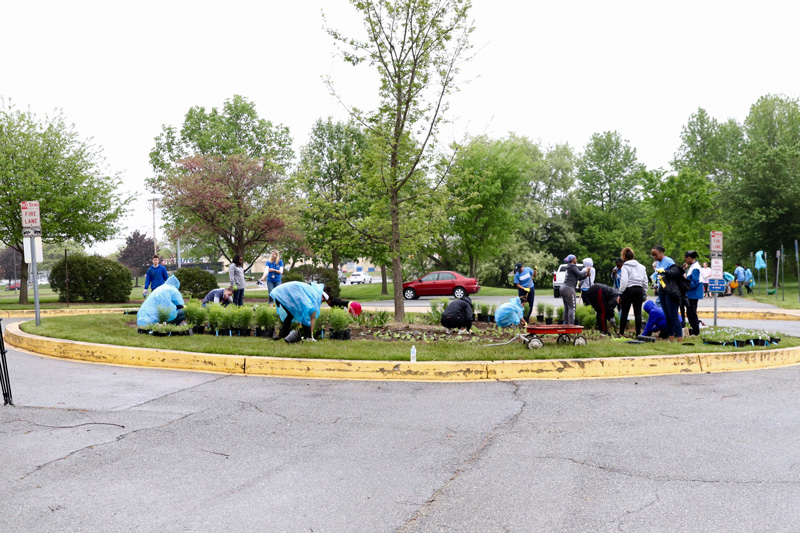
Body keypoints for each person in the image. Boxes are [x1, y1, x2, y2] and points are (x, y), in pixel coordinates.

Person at [651, 245, 684, 343]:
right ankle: (671, 338)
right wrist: (656, 285)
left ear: (661, 252)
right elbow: (658, 277)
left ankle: (679, 338)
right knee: (667, 316)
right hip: (662, 291)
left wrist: (665, 272)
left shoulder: (669, 261)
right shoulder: (657, 262)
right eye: (652, 255)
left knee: (673, 315)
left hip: (671, 291)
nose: (654, 257)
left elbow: (675, 272)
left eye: (655, 254)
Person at [616, 247, 648, 337]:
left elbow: (624, 281)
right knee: (638, 313)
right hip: (639, 290)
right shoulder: (642, 267)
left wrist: (620, 293)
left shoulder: (625, 266)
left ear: (624, 257)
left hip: (628, 290)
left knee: (625, 312)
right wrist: (644, 292)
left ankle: (621, 333)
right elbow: (645, 281)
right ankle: (638, 333)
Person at [559, 254, 590, 325]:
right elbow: (579, 273)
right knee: (572, 308)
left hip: (563, 287)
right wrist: (586, 270)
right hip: (569, 288)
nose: (576, 260)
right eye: (575, 258)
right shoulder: (572, 266)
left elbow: (578, 277)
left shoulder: (569, 267)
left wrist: (585, 276)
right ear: (572, 260)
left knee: (567, 307)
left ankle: (566, 325)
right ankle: (571, 325)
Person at [683, 251, 703, 336]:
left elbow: (695, 282)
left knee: (692, 313)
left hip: (693, 294)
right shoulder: (693, 266)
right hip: (691, 293)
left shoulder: (695, 268)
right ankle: (695, 330)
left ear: (689, 258)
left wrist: (685, 285)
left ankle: (696, 332)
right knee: (690, 312)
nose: (685, 261)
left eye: (686, 259)